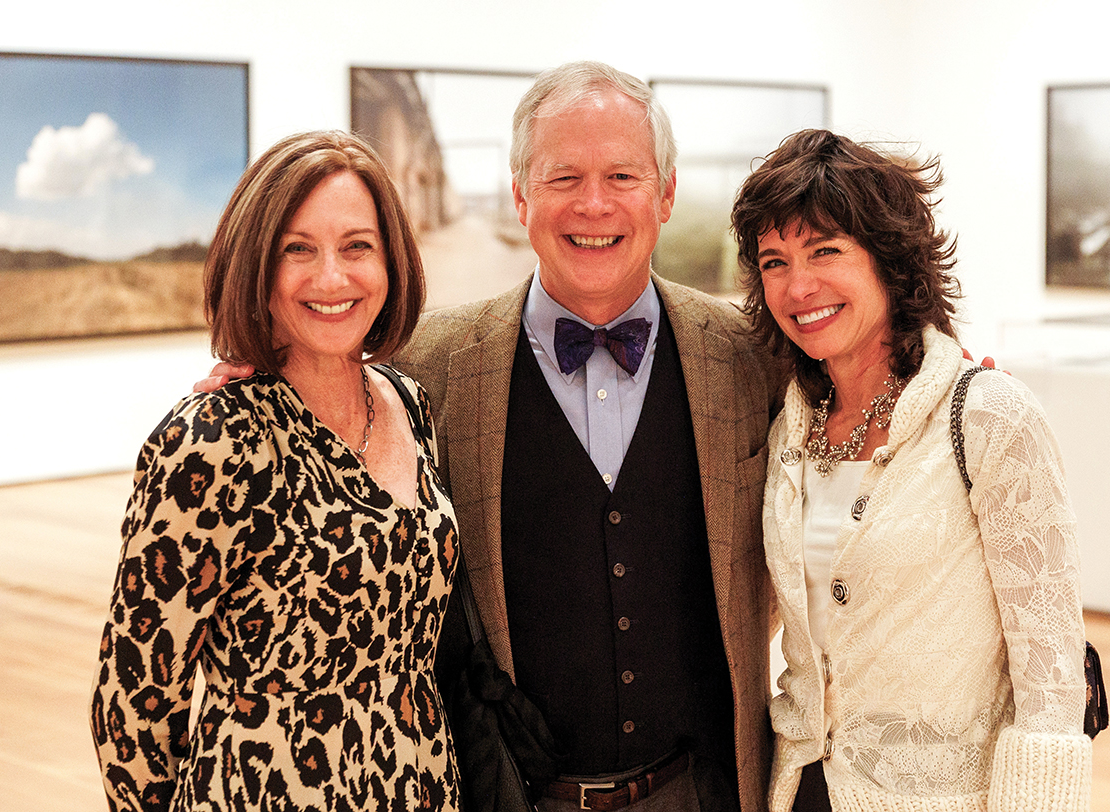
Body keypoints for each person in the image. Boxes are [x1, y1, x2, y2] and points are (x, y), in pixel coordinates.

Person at [201, 61, 780, 812]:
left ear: (666, 193)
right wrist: (260, 368)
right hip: (503, 791)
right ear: (519, 196)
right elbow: (318, 360)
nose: (594, 204)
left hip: (704, 789)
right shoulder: (423, 369)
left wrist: (951, 373)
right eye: (563, 177)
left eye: (624, 176)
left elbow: (867, 388)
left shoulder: (749, 356)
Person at [90, 131, 461, 811]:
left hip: (419, 785)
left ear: (391, 262)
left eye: (357, 246)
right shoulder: (211, 440)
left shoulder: (409, 404)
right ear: (256, 267)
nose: (331, 277)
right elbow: (134, 701)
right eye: (298, 249)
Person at [730, 128, 1091, 812]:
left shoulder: (989, 415)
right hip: (802, 787)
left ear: (890, 262)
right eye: (773, 261)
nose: (798, 286)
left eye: (825, 251)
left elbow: (1050, 681)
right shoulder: (789, 428)